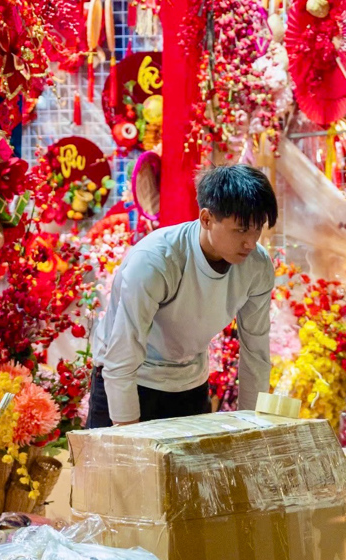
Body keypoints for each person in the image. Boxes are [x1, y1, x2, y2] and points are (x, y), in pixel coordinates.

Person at [88, 164, 278, 428]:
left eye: (257, 229)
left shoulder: (257, 266)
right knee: (116, 468)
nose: (250, 241)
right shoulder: (156, 260)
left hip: (189, 384)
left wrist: (250, 424)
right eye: (241, 230)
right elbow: (123, 352)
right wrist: (126, 430)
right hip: (129, 378)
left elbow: (255, 351)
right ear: (207, 218)